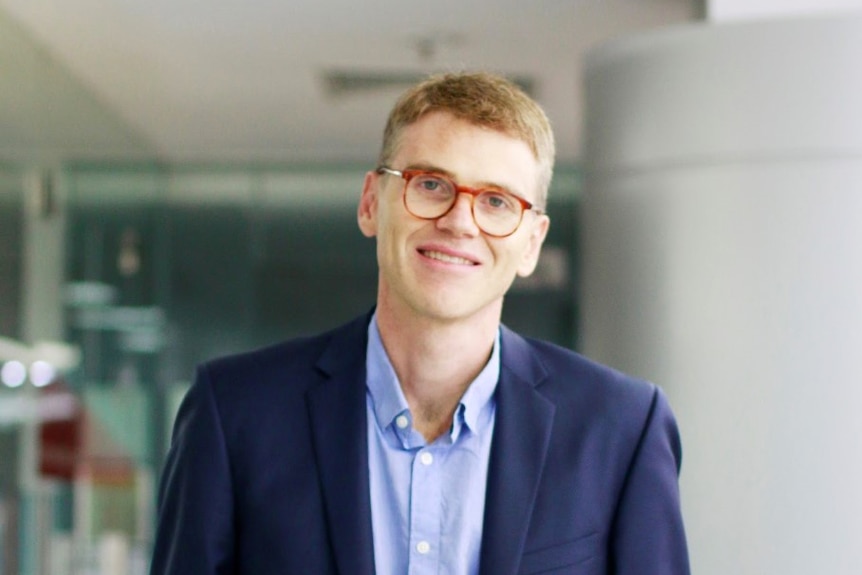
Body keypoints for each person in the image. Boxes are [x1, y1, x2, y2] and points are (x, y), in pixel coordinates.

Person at [149, 72, 690, 575]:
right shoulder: (235, 413)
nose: (458, 221)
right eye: (431, 184)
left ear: (532, 242)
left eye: (497, 201)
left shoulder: (620, 429)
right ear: (370, 204)